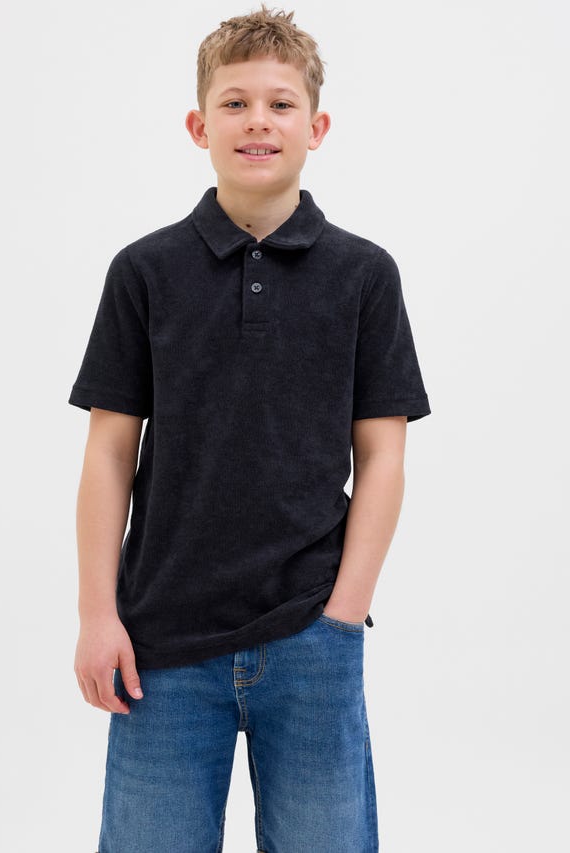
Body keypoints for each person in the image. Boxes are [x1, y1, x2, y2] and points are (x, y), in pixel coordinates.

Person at [69, 5, 431, 851]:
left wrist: (343, 613)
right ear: (199, 126)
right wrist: (96, 615)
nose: (258, 120)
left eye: (280, 103)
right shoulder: (144, 271)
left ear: (317, 127)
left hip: (312, 635)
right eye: (234, 103)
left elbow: (383, 455)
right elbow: (109, 451)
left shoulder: (365, 275)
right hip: (160, 641)